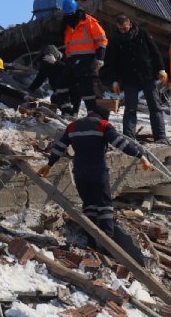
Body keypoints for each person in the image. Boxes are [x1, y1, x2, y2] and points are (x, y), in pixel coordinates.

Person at [37, 106, 152, 263]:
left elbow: (60, 147)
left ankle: (91, 243)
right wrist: (140, 155)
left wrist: (49, 165)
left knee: (89, 206)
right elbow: (120, 143)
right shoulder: (103, 126)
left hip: (80, 172)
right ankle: (107, 246)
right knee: (104, 206)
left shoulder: (72, 126)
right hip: (97, 171)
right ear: (102, 117)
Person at [105, 15, 169, 143]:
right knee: (130, 109)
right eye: (120, 29)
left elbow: (154, 52)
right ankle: (129, 138)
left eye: (125, 28)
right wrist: (115, 80)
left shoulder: (142, 34)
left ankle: (160, 136)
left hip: (147, 75)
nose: (123, 31)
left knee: (154, 107)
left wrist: (161, 69)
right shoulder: (116, 40)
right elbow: (113, 61)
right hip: (129, 78)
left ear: (129, 23)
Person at [62, 0, 108, 116]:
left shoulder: (89, 22)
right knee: (62, 83)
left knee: (87, 87)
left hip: (88, 59)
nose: (69, 16)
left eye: (71, 14)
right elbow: (68, 45)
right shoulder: (67, 25)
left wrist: (100, 58)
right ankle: (68, 110)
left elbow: (101, 39)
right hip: (72, 60)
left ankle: (91, 113)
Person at [27, 45, 74, 115]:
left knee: (63, 99)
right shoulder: (45, 64)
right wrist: (29, 91)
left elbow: (69, 72)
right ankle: (58, 114)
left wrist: (55, 62)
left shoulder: (66, 59)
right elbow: (39, 79)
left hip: (70, 88)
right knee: (54, 99)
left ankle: (69, 112)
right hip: (57, 89)